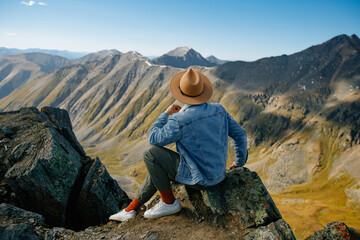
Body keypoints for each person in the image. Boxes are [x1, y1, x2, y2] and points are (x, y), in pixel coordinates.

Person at [109, 68, 247, 221]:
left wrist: (166, 114)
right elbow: (240, 134)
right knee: (157, 167)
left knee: (151, 154)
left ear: (181, 93)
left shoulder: (179, 120)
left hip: (200, 179)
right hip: (218, 175)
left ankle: (169, 203)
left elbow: (153, 138)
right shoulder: (219, 109)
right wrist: (239, 162)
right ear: (202, 91)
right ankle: (130, 210)